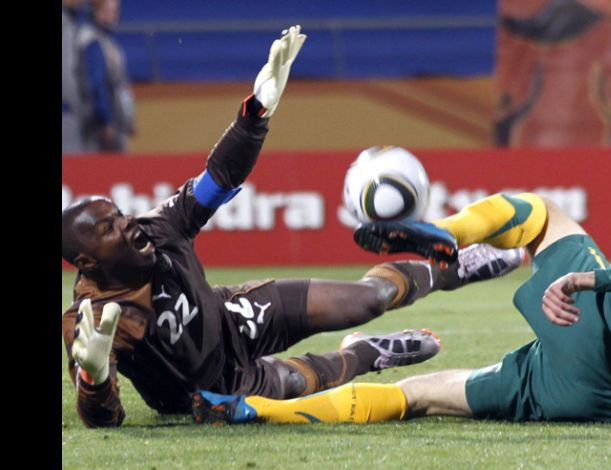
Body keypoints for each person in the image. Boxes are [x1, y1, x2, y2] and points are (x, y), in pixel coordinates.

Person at [63, 27, 526, 428]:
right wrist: (94, 376)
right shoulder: (90, 322)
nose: (127, 224)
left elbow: (219, 179)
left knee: (368, 299)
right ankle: (365, 354)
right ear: (87, 262)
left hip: (232, 316)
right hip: (212, 388)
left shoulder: (157, 228)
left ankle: (452, 268)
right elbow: (105, 419)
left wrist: (256, 114)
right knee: (298, 381)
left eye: (119, 214)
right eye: (110, 228)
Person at [192, 192, 611, 424]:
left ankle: (444, 234)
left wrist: (591, 279)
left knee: (542, 214)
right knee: (417, 396)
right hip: (602, 406)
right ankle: (253, 410)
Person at [75, 0, 135, 152]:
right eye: (108, 11)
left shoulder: (108, 41)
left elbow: (121, 84)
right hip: (103, 122)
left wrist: (128, 115)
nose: (113, 16)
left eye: (115, 11)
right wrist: (106, 120)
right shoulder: (90, 40)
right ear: (95, 11)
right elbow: (97, 82)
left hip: (116, 118)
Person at [63, 0, 86, 153]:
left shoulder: (70, 22)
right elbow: (67, 77)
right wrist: (84, 110)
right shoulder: (64, 27)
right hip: (67, 116)